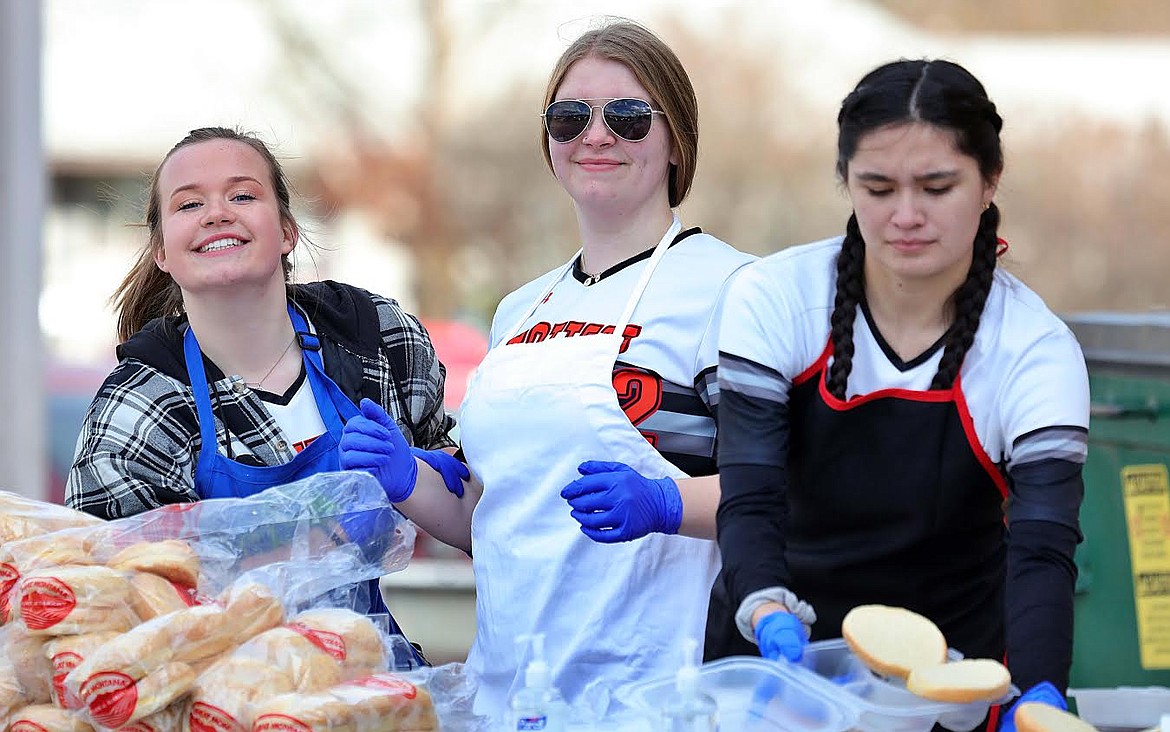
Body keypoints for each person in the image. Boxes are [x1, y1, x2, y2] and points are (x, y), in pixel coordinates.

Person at [338, 20, 753, 720]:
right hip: (511, 695)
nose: (595, 136)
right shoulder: (521, 310)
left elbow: (795, 490)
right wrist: (408, 481)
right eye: (569, 118)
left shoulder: (731, 290)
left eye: (626, 116)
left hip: (659, 697)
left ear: (676, 139)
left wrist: (666, 503)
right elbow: (493, 522)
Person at [712, 59, 1089, 728]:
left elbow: (1041, 549)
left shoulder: (1034, 350)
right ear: (846, 183)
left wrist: (1037, 691)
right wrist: (766, 611)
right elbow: (751, 494)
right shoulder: (775, 299)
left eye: (937, 186)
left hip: (945, 691)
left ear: (989, 181)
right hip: (781, 674)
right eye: (878, 187)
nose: (906, 216)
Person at [65, 126, 467, 663]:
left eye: (242, 195)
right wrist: (313, 539)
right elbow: (107, 605)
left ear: (286, 231)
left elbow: (480, 526)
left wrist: (413, 482)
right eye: (189, 204)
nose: (217, 213)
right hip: (213, 698)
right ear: (161, 252)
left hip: (373, 690)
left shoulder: (375, 341)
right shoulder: (141, 406)